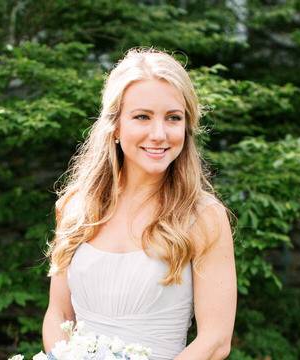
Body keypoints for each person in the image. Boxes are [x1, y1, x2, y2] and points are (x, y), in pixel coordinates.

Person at [42, 47, 237, 360]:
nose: (159, 134)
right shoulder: (75, 206)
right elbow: (59, 315)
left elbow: (215, 341)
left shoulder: (203, 216)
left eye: (173, 118)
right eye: (142, 117)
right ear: (115, 126)